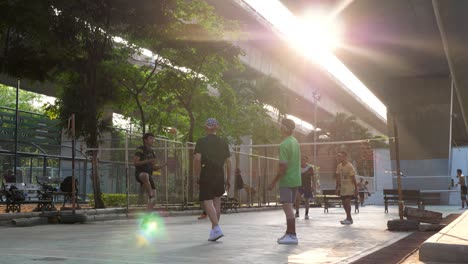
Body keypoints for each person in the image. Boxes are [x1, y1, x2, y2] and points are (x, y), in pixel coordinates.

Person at [193, 118, 231, 241]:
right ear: (217, 127)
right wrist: (228, 178)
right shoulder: (223, 142)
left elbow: (197, 159)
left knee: (207, 201)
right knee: (217, 201)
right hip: (220, 173)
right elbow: (229, 162)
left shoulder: (201, 142)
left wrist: (197, 174)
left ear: (206, 127)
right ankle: (214, 231)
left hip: (207, 172)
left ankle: (216, 227)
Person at [268, 118, 301, 245]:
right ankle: (289, 233)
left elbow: (283, 167)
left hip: (287, 181)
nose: (279, 128)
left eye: (281, 126)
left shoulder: (284, 144)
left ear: (284, 128)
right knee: (289, 207)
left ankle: (292, 235)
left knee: (287, 208)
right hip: (295, 180)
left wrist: (273, 182)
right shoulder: (295, 142)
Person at [133, 133, 165, 211]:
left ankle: (148, 213)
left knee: (153, 202)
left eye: (153, 139)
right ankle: (150, 195)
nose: (153, 140)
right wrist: (148, 161)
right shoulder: (140, 149)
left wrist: (164, 165)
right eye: (151, 138)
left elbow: (154, 167)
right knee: (145, 175)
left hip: (149, 176)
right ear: (145, 140)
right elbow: (135, 163)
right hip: (140, 173)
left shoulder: (152, 152)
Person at [335, 150, 358, 225]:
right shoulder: (339, 166)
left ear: (345, 157)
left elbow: (353, 178)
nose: (339, 157)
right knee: (344, 203)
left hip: (349, 187)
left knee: (347, 202)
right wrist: (337, 188)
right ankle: (348, 218)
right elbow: (338, 178)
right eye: (338, 156)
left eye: (340, 156)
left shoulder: (349, 166)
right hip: (343, 188)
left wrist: (356, 189)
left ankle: (349, 218)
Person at [295, 156, 314, 220]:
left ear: (306, 161)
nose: (303, 161)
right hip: (299, 185)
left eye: (304, 160)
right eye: (302, 160)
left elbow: (313, 177)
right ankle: (297, 212)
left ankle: (306, 214)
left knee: (307, 200)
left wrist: (313, 185)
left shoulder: (310, 168)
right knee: (297, 198)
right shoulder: (297, 167)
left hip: (307, 185)